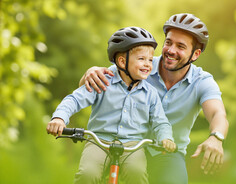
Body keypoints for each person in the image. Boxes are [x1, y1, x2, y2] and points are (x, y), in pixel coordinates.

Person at [80, 13, 229, 184]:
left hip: (166, 155)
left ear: (195, 54)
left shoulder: (202, 81)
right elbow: (89, 86)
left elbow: (218, 114)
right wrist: (89, 72)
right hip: (124, 147)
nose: (171, 50)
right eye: (168, 42)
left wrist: (216, 137)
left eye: (180, 46)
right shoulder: (140, 65)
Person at [46, 27, 176, 184]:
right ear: (122, 61)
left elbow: (160, 121)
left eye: (150, 60)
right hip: (99, 141)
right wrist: (60, 118)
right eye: (142, 59)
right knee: (88, 174)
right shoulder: (102, 81)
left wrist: (165, 138)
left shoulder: (150, 93)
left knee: (137, 174)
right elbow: (74, 99)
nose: (148, 64)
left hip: (132, 145)